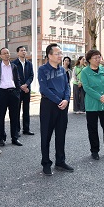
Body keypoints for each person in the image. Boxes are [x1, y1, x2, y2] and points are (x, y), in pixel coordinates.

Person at [38, 43, 73, 176]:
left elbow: (67, 86)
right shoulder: (43, 70)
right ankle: (46, 163)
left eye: (61, 53)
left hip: (63, 106)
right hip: (49, 106)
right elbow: (44, 89)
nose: (60, 56)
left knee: (61, 134)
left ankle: (60, 161)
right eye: (57, 53)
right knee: (46, 135)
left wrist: (66, 99)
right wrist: (59, 101)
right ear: (49, 55)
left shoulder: (62, 70)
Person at [80, 50, 104, 160]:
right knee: (92, 128)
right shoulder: (85, 71)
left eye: (99, 57)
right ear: (89, 60)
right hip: (92, 104)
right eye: (95, 58)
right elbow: (86, 87)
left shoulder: (103, 70)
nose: (98, 60)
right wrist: (99, 97)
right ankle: (94, 150)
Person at [0, 47, 22, 146]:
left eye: (8, 53)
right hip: (2, 93)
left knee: (14, 116)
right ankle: (1, 138)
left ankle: (14, 138)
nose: (6, 55)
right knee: (1, 117)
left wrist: (17, 92)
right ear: (0, 56)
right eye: (4, 53)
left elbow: (17, 80)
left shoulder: (14, 66)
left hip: (13, 93)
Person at [12, 46, 35, 135]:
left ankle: (26, 129)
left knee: (26, 110)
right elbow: (14, 77)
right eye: (21, 50)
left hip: (27, 90)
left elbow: (31, 76)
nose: (24, 52)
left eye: (25, 50)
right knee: (16, 111)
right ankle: (17, 130)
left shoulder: (29, 63)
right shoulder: (14, 64)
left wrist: (26, 85)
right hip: (17, 90)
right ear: (18, 53)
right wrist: (21, 86)